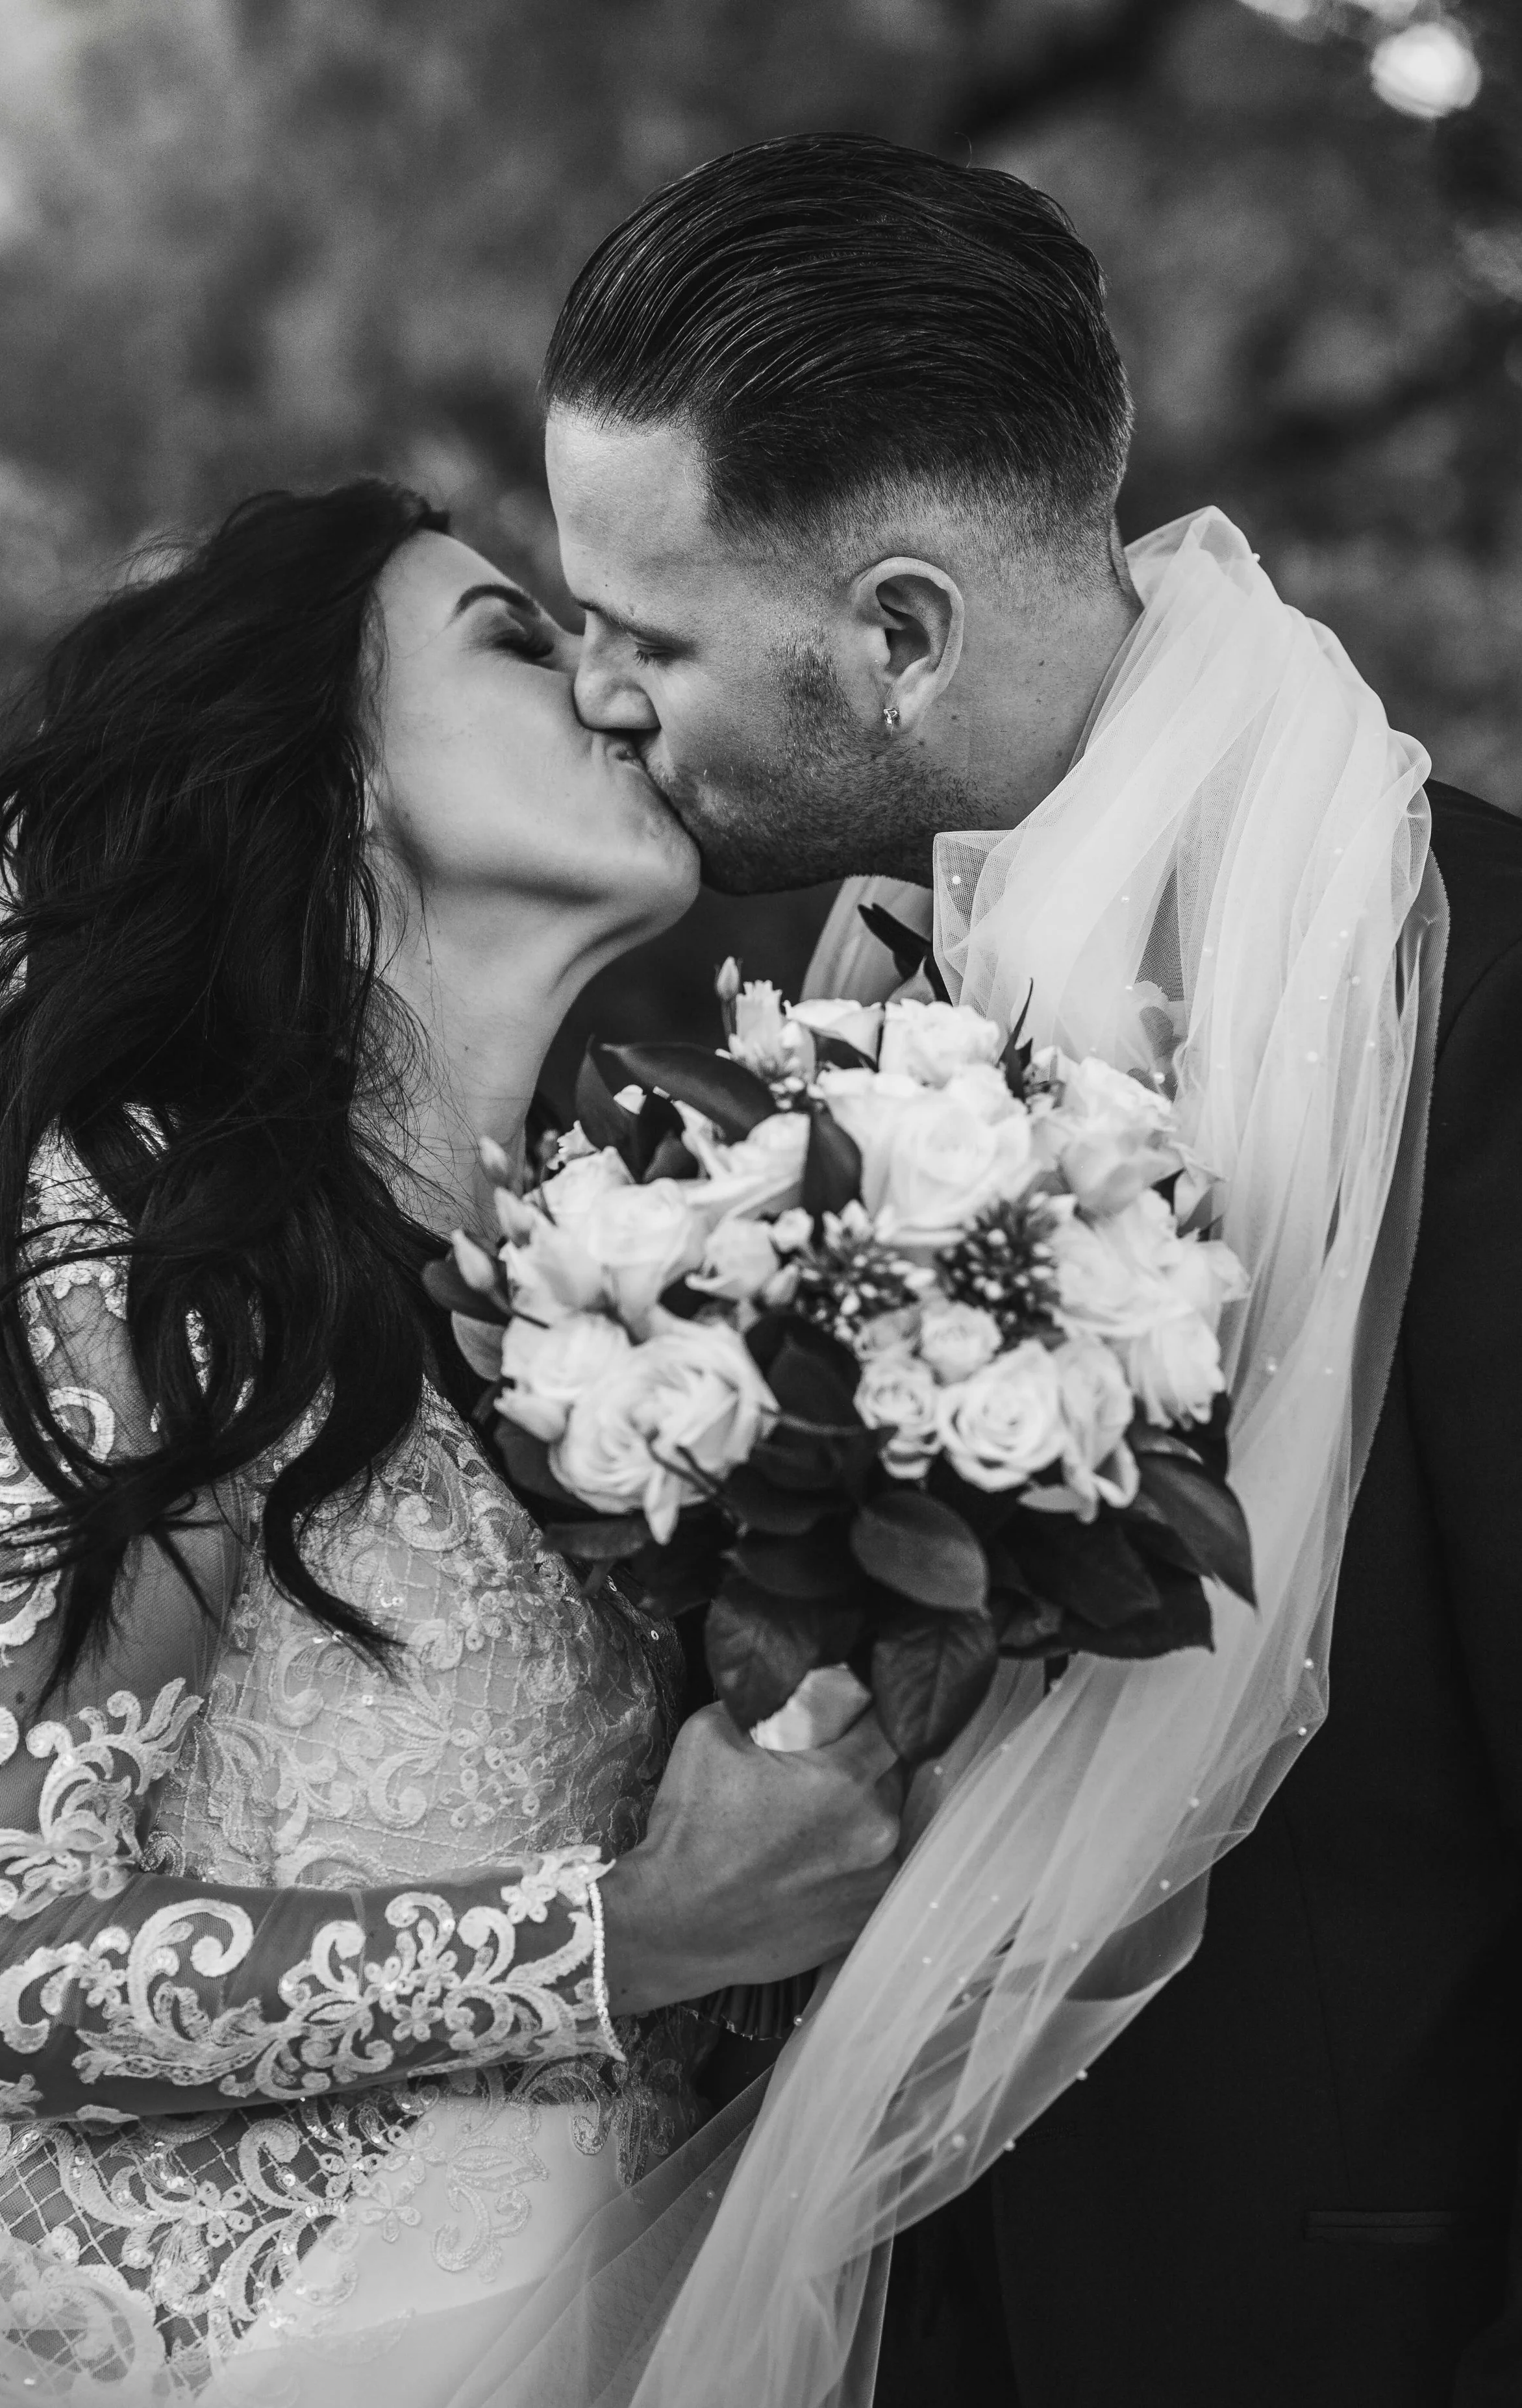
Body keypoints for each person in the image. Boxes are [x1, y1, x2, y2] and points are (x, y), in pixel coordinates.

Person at [542, 132, 1522, 2406]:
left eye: (646, 633)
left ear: (898, 630)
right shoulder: (816, 998)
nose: (599, 696)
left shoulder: (1482, 1003)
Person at [0, 481, 903, 2403]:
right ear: (337, 773)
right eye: (517, 639)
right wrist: (625, 1935)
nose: (616, 689)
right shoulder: (158, 1258)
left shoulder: (606, 1304)